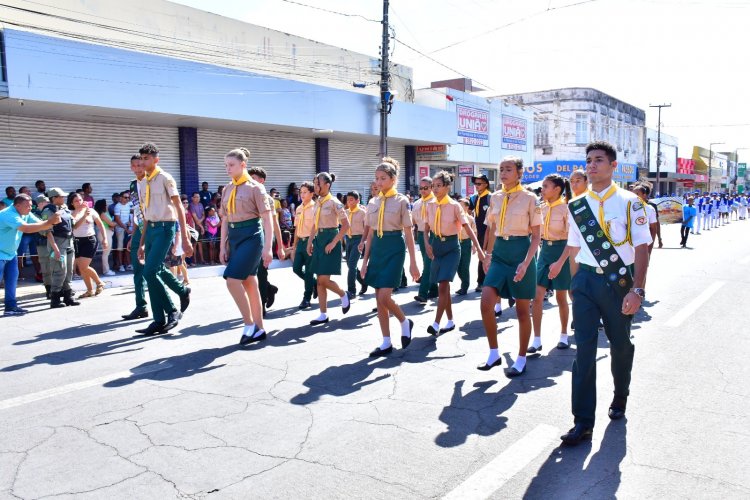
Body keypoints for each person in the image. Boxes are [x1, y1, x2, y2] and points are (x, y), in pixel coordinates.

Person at [560, 141, 652, 446]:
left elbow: (642, 246)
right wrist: (575, 284)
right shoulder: (576, 205)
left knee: (620, 344)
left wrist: (637, 289)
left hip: (618, 281)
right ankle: (583, 421)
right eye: (588, 161)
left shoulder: (630, 202)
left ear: (613, 166)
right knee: (583, 349)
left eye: (598, 160)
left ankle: (620, 394)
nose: (591, 165)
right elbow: (574, 248)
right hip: (585, 280)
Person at [478, 157, 542, 377]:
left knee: (522, 311)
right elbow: (492, 228)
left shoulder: (530, 199)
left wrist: (526, 263)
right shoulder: (495, 198)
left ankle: (521, 357)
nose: (504, 173)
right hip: (499, 255)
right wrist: (487, 254)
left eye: (508, 169)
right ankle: (494, 353)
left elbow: (536, 237)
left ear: (519, 173)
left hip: (520, 253)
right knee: (486, 303)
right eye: (501, 169)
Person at [360, 157, 420, 356]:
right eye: (377, 178)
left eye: (383, 178)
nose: (378, 182)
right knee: (379, 300)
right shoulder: (372, 201)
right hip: (377, 248)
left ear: (393, 179)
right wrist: (364, 262)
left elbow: (409, 233)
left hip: (394, 247)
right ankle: (386, 342)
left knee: (385, 296)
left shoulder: (402, 201)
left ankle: (404, 321)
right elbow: (369, 234)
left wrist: (413, 262)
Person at [135, 143, 193, 335]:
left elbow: (179, 208)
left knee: (150, 272)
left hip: (165, 228)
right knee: (154, 270)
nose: (143, 162)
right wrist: (142, 242)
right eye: (141, 158)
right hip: (150, 229)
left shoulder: (166, 178)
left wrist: (184, 237)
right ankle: (160, 319)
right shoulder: (142, 182)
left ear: (156, 159)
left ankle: (171, 311)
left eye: (147, 158)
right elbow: (145, 214)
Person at [219, 149, 274, 345]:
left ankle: (248, 324)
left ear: (243, 165)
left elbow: (267, 220)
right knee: (250, 282)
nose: (228, 169)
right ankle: (259, 328)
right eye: (226, 165)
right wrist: (222, 246)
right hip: (234, 237)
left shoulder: (255, 188)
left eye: (231, 165)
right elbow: (224, 220)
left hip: (251, 235)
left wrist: (268, 248)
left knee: (232, 280)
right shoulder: (227, 189)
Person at [423, 171, 485, 336]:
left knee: (443, 284)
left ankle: (436, 323)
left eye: (438, 186)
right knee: (443, 287)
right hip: (436, 246)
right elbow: (426, 228)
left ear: (447, 187)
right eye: (433, 186)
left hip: (451, 247)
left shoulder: (455, 206)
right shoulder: (430, 205)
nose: (434, 189)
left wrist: (478, 249)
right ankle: (450, 321)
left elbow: (468, 229)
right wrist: (427, 243)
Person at [530, 174, 573, 353]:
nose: (542, 189)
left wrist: (560, 263)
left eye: (546, 186)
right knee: (537, 296)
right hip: (545, 253)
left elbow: (572, 239)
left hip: (562, 251)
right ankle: (537, 339)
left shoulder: (567, 209)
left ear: (557, 189)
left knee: (560, 297)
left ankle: (564, 335)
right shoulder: (541, 207)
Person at [0, 194, 61, 315]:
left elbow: (40, 225)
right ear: (17, 205)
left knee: (12, 281)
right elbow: (26, 228)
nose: (30, 208)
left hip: (11, 254)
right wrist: (50, 222)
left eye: (31, 205)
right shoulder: (8, 214)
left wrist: (52, 222)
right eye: (27, 206)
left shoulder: (25, 213)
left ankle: (10, 307)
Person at [307, 172, 351, 325]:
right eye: (315, 183)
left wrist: (333, 243)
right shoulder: (318, 202)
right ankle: (323, 314)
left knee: (323, 280)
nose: (315, 186)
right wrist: (310, 241)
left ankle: (343, 294)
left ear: (327, 185)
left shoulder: (334, 202)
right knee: (319, 282)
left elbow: (346, 226)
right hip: (319, 240)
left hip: (330, 239)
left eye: (318, 183)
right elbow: (314, 224)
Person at [246, 163, 284, 312]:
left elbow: (275, 224)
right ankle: (269, 289)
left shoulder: (267, 199)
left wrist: (280, 246)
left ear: (262, 181)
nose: (250, 181)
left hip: (264, 238)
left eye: (253, 178)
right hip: (250, 238)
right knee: (248, 272)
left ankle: (261, 305)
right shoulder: (246, 195)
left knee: (260, 272)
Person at [44, 188, 80, 308]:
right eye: (61, 196)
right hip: (58, 243)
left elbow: (74, 225)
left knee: (69, 270)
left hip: (69, 242)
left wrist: (84, 214)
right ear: (54, 198)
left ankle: (68, 296)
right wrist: (55, 248)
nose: (63, 198)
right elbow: (47, 231)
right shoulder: (48, 211)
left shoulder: (65, 209)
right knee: (60, 270)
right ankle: (55, 298)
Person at [69, 193, 107, 298]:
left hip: (89, 240)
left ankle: (99, 283)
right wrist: (84, 215)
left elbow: (100, 224)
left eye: (80, 200)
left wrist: (105, 238)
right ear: (72, 203)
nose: (79, 202)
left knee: (84, 266)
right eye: (76, 201)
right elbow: (75, 227)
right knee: (82, 269)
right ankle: (90, 290)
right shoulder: (71, 213)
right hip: (76, 241)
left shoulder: (91, 211)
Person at [411, 176, 438, 303]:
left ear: (432, 187)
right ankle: (434, 289)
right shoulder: (416, 204)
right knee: (427, 263)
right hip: (421, 235)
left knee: (427, 264)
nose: (423, 190)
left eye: (426, 188)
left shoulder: (436, 202)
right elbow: (413, 221)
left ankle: (422, 293)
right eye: (421, 188)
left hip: (433, 235)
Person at [291, 181, 317, 309]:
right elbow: (296, 228)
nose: (302, 194)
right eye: (301, 192)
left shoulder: (315, 208)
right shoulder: (299, 208)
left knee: (308, 272)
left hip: (310, 242)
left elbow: (316, 227)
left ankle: (307, 298)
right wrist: (294, 247)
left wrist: (311, 242)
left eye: (305, 192)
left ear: (312, 194)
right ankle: (315, 284)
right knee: (296, 268)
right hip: (300, 242)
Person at [469, 174, 492, 292]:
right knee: (481, 256)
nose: (476, 186)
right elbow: (467, 212)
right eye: (475, 184)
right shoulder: (474, 198)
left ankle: (486, 282)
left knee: (488, 256)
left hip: (490, 231)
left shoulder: (491, 198)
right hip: (479, 233)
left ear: (486, 184)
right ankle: (481, 282)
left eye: (479, 184)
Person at [344, 191, 366, 300]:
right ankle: (364, 282)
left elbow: (366, 229)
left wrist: (363, 242)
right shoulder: (346, 212)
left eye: (351, 200)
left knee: (352, 265)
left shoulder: (362, 212)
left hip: (358, 239)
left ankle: (351, 290)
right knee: (349, 264)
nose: (349, 202)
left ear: (358, 200)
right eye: (348, 200)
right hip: (348, 239)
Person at [456, 199, 477, 295]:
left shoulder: (470, 219)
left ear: (466, 207)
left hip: (466, 243)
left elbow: (474, 232)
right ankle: (463, 282)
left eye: (461, 205)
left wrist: (474, 246)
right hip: (456, 243)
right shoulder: (455, 217)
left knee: (464, 266)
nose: (459, 207)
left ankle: (464, 287)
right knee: (457, 266)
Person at [34, 195, 53, 298]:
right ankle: (49, 290)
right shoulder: (35, 214)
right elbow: (41, 229)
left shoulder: (50, 211)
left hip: (54, 242)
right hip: (42, 243)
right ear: (40, 203)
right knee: (46, 268)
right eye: (46, 202)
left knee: (55, 266)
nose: (48, 203)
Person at [113, 189, 133, 272]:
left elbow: (133, 213)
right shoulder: (117, 206)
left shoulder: (129, 204)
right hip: (120, 229)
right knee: (120, 248)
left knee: (127, 247)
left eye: (128, 197)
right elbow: (117, 220)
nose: (127, 199)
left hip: (128, 229)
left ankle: (128, 264)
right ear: (120, 198)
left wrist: (129, 222)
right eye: (125, 197)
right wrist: (125, 228)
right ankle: (120, 265)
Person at [188, 192, 206, 265]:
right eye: (196, 197)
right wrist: (201, 227)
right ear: (192, 198)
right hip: (194, 228)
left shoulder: (201, 204)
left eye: (198, 197)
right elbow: (194, 218)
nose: (197, 198)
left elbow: (204, 215)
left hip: (200, 225)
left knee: (200, 243)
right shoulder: (191, 205)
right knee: (194, 244)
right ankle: (194, 260)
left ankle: (202, 259)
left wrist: (200, 222)